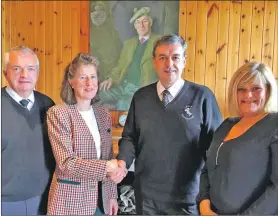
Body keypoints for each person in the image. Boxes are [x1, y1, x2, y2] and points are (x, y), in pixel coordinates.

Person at [115, 34, 223, 214]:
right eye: (162, 57)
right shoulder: (141, 97)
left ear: (184, 61)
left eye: (175, 57)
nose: (169, 64)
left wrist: (210, 195)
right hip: (147, 199)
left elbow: (216, 149)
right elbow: (129, 137)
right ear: (154, 61)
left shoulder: (203, 97)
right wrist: (123, 163)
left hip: (188, 199)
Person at [46, 53, 127, 215]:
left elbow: (108, 155)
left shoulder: (103, 114)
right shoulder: (58, 113)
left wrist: (111, 195)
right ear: (71, 82)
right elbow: (66, 163)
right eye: (83, 77)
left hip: (100, 201)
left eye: (93, 77)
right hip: (70, 203)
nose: (89, 83)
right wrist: (108, 166)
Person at [198, 62, 278, 215]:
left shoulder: (274, 124)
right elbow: (207, 170)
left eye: (256, 89)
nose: (248, 95)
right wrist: (204, 204)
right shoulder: (226, 125)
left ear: (268, 90)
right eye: (241, 89)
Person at [1, 46, 55, 215]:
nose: (25, 75)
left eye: (30, 69)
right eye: (17, 69)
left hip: (44, 200)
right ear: (5, 73)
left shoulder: (48, 105)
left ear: (37, 73)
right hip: (5, 203)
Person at [99, 7, 160, 110]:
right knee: (97, 95)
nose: (141, 25)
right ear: (135, 26)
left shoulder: (159, 42)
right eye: (138, 22)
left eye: (144, 21)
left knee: (124, 104)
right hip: (124, 85)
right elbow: (120, 66)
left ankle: (117, 112)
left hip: (142, 88)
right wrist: (111, 79)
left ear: (151, 23)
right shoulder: (129, 44)